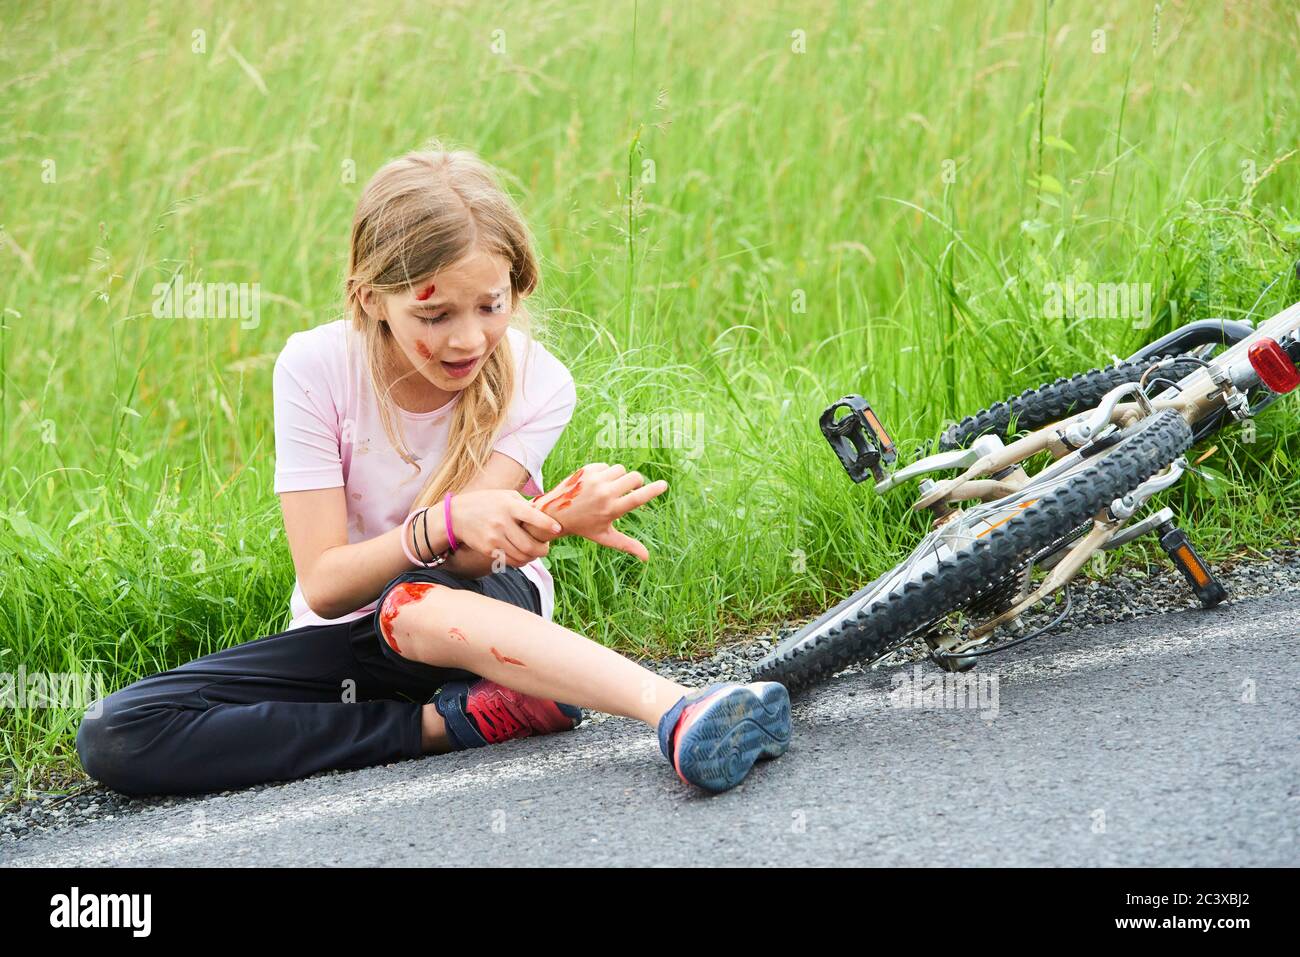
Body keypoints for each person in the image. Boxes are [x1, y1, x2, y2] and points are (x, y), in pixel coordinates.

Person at [75, 144, 790, 797]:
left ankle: (675, 708)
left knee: (411, 603)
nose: (468, 337)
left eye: (492, 305)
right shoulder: (315, 368)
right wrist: (439, 522)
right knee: (118, 730)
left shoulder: (539, 380)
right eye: (435, 313)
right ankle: (448, 724)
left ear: (518, 286)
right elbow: (324, 586)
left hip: (480, 606)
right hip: (353, 633)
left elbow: (472, 551)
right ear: (369, 299)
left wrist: (546, 523)